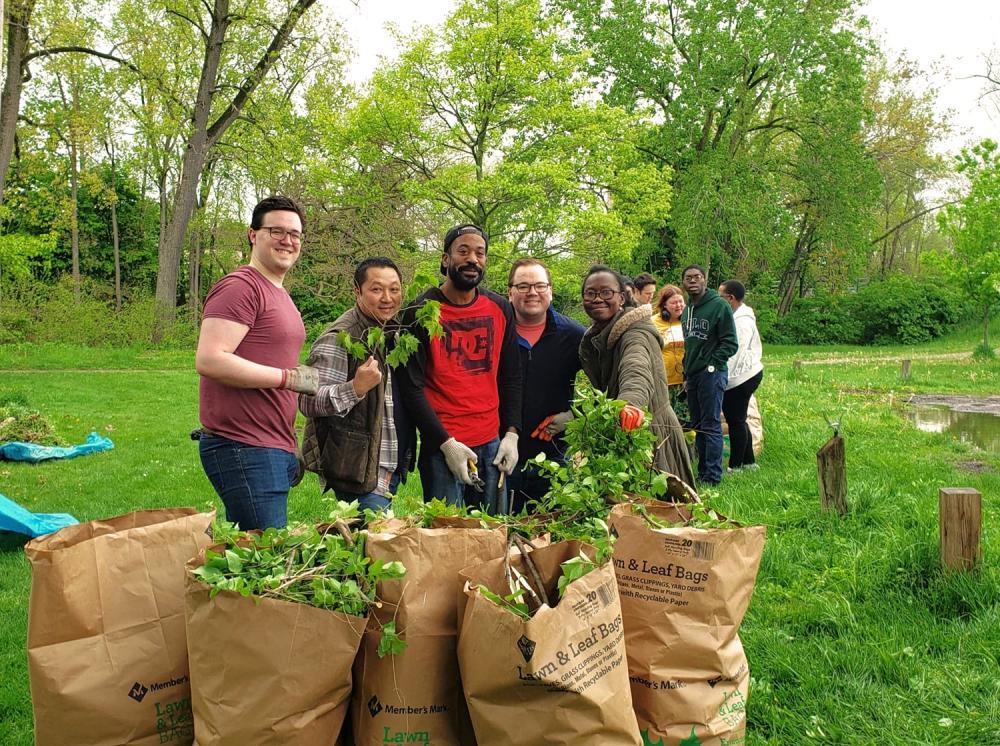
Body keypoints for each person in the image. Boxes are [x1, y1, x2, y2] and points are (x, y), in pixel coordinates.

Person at [195, 195, 318, 530]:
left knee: (259, 557)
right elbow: (210, 359)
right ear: (253, 234)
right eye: (276, 231)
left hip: (270, 444)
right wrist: (286, 378)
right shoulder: (241, 287)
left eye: (295, 234)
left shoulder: (278, 292)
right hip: (243, 446)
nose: (288, 241)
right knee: (263, 561)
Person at [399, 224, 522, 512]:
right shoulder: (419, 311)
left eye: (480, 253)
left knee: (490, 537)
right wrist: (444, 443)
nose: (472, 259)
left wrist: (512, 434)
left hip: (491, 443)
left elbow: (511, 376)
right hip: (442, 448)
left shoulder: (500, 308)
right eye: (463, 251)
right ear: (445, 259)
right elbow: (411, 387)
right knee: (447, 536)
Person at [299, 257, 416, 513]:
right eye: (376, 289)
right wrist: (355, 388)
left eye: (394, 289)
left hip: (386, 467)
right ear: (357, 291)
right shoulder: (341, 337)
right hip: (357, 470)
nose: (387, 297)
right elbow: (307, 400)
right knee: (378, 549)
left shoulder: (394, 332)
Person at [578, 265, 695, 486]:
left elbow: (636, 368)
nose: (597, 299)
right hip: (621, 432)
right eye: (590, 293)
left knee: (661, 510)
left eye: (606, 293)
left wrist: (631, 404)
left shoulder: (636, 333)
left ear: (622, 297)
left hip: (651, 434)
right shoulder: (597, 334)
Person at [507, 257, 585, 512]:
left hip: (555, 454)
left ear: (550, 290)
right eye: (523, 286)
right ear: (510, 292)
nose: (532, 292)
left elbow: (607, 386)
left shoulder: (574, 336)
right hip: (502, 451)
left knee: (552, 535)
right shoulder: (496, 331)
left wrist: (575, 416)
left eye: (540, 286)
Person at [680, 264, 737, 486]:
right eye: (688, 278)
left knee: (711, 424)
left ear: (704, 280)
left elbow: (730, 342)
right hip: (693, 375)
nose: (692, 281)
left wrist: (712, 363)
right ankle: (702, 472)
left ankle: (712, 477)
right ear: (683, 283)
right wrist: (687, 373)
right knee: (698, 424)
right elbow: (690, 345)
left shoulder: (719, 306)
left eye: (697, 277)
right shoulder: (686, 310)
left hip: (712, 374)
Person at [719, 280, 764, 471]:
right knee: (738, 419)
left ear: (731, 298)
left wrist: (722, 377)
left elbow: (734, 353)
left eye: (721, 296)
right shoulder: (736, 316)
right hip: (740, 376)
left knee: (735, 421)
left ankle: (735, 466)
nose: (718, 300)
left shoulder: (742, 321)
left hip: (742, 377)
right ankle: (749, 462)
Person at [651, 284, 688, 424]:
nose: (678, 305)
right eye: (674, 302)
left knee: (685, 421)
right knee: (666, 420)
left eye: (681, 301)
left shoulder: (689, 321)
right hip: (663, 380)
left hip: (685, 380)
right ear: (664, 305)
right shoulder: (653, 322)